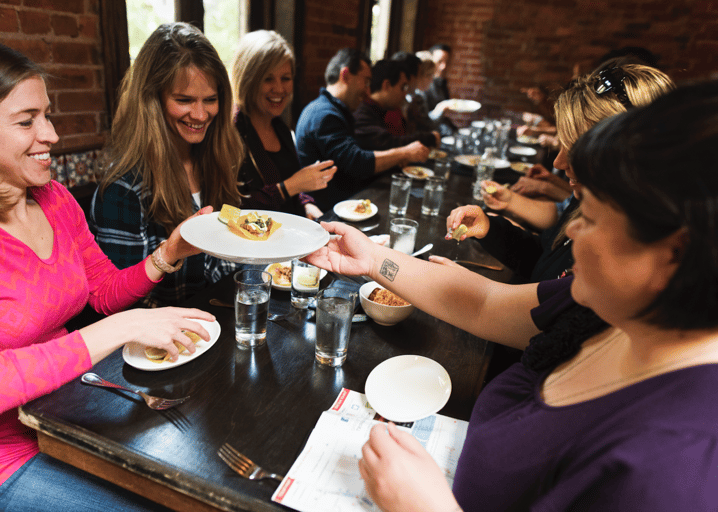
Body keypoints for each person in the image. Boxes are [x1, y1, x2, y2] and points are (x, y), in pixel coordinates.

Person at [307, 81, 718, 511]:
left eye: (592, 218)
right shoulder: (611, 309)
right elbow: (482, 303)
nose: (571, 230)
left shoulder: (675, 470)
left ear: (672, 254)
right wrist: (372, 258)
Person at [0, 35, 214, 512]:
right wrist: (122, 329)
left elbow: (104, 291)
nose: (50, 134)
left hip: (67, 415)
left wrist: (169, 252)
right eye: (27, 121)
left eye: (46, 116)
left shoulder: (54, 200)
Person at [444, 64, 675, 282]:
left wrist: (471, 288)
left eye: (574, 149)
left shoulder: (624, 255)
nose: (558, 161)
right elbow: (543, 258)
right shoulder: (587, 202)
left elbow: (538, 307)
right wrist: (489, 228)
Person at [91, 23, 243, 307]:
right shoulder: (123, 188)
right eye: (184, 100)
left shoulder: (217, 158)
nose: (200, 114)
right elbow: (120, 303)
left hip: (223, 317)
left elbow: (224, 259)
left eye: (210, 100)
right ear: (152, 99)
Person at [295, 48, 430, 212]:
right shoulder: (324, 114)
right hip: (327, 210)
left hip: (343, 202)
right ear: (345, 75)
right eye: (366, 82)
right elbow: (356, 163)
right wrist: (404, 153)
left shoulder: (331, 109)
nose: (368, 91)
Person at [231, 30, 336, 220]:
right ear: (248, 80)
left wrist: (310, 207)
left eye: (285, 78)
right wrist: (290, 187)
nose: (279, 89)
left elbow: (295, 185)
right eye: (268, 79)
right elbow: (230, 209)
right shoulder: (231, 131)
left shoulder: (281, 129)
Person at [353, 59, 439, 151]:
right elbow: (388, 143)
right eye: (403, 87)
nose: (405, 94)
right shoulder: (362, 111)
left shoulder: (378, 109)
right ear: (387, 85)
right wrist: (429, 137)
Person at [423, 43, 456, 135]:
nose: (444, 67)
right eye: (439, 61)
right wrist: (441, 108)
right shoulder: (422, 87)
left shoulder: (442, 83)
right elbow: (424, 122)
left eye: (447, 62)